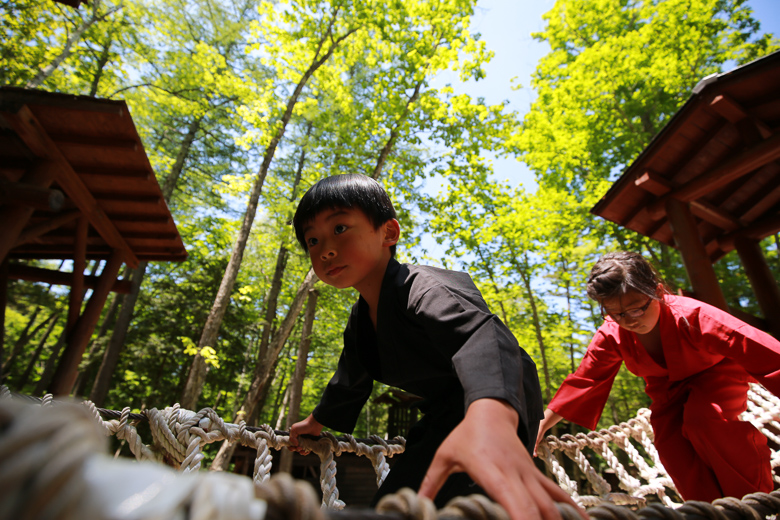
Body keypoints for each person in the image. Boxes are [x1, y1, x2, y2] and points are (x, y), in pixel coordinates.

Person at [287, 174, 583, 520]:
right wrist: (318, 421)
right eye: (312, 240)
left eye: (339, 228)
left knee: (475, 501)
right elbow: (352, 375)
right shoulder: (360, 321)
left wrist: (493, 416)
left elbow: (482, 337)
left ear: (388, 233)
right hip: (444, 412)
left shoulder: (424, 288)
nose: (326, 250)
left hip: (498, 397)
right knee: (399, 502)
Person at [534, 251, 780, 502]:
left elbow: (762, 350)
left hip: (716, 376)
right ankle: (710, 510)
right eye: (617, 313)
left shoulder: (693, 315)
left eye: (636, 309)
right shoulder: (611, 333)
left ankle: (753, 500)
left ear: (659, 292)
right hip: (666, 392)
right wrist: (541, 423)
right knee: (670, 448)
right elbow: (586, 379)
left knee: (705, 420)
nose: (629, 320)